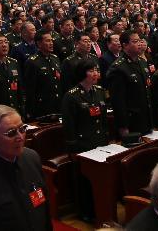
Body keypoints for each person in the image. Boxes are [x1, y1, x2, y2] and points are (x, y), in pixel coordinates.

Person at [60, 57, 109, 222]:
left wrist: (106, 139)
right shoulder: (71, 96)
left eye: (96, 70)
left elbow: (103, 119)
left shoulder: (100, 91)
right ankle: (86, 211)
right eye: (91, 71)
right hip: (83, 145)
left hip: (99, 142)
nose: (95, 74)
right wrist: (72, 148)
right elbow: (69, 125)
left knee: (100, 179)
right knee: (84, 181)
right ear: (82, 73)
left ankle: (100, 208)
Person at [106, 30, 152, 137]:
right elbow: (118, 102)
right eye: (135, 41)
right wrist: (123, 127)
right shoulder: (118, 68)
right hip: (132, 123)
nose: (139, 44)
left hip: (147, 119)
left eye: (139, 41)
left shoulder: (142, 62)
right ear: (125, 45)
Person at [24, 30, 62, 119]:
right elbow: (30, 89)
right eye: (48, 41)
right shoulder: (32, 62)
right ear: (39, 43)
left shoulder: (55, 58)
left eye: (51, 40)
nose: (51, 43)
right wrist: (30, 111)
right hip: (42, 107)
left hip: (57, 104)